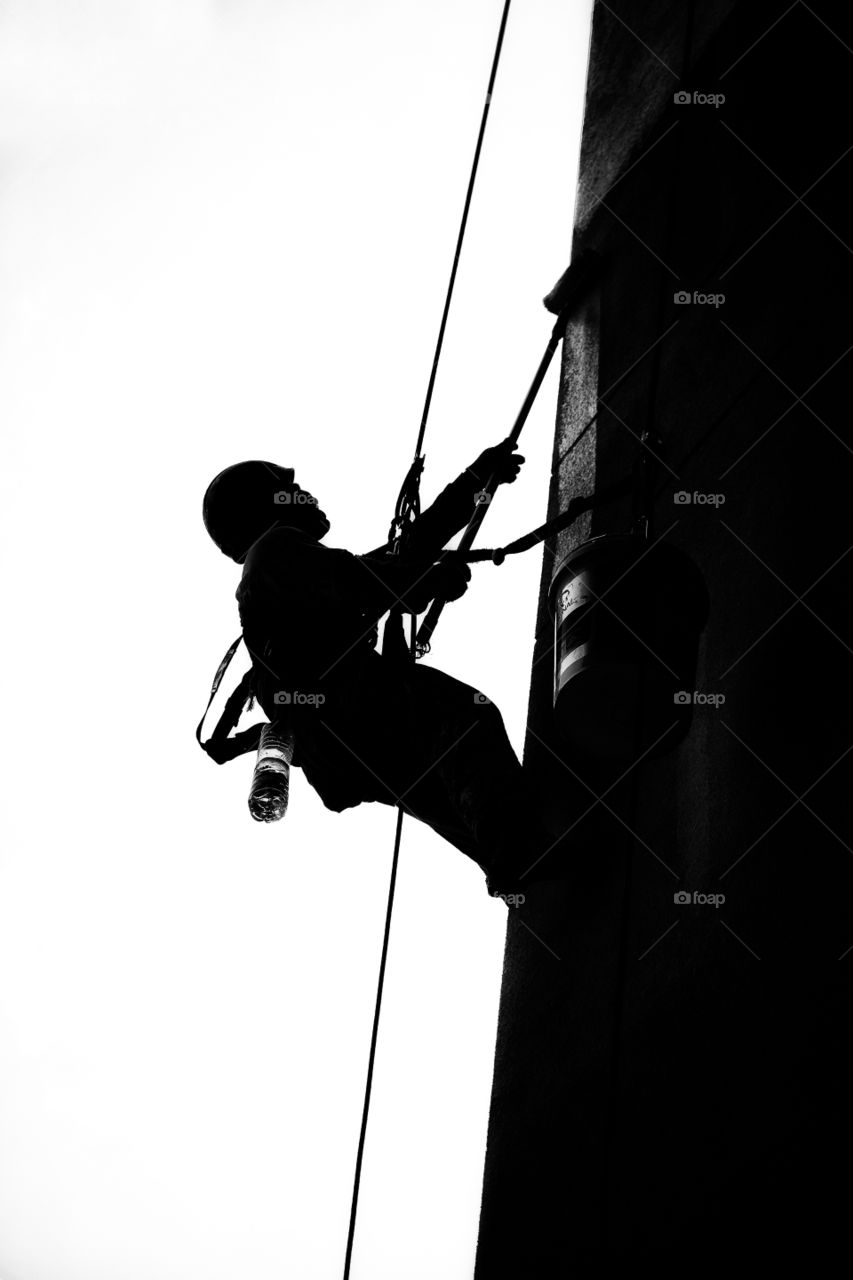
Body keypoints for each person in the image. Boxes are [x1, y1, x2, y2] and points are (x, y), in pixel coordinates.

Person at [202, 443, 570, 899]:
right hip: (357, 708)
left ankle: (523, 876)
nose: (304, 494)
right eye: (289, 491)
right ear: (264, 509)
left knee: (442, 792)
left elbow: (399, 556)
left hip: (341, 747)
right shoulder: (272, 553)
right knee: (467, 719)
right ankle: (523, 854)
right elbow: (370, 582)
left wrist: (473, 483)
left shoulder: (277, 571)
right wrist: (428, 581)